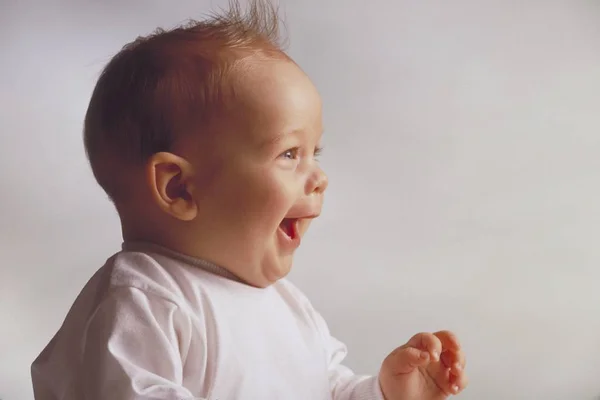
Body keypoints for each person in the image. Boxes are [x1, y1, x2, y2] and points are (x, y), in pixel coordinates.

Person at [31, 1, 468, 399]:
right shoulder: (145, 299)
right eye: (289, 154)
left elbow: (326, 387)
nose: (318, 178)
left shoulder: (289, 306)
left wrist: (384, 393)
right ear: (179, 188)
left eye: (314, 153)